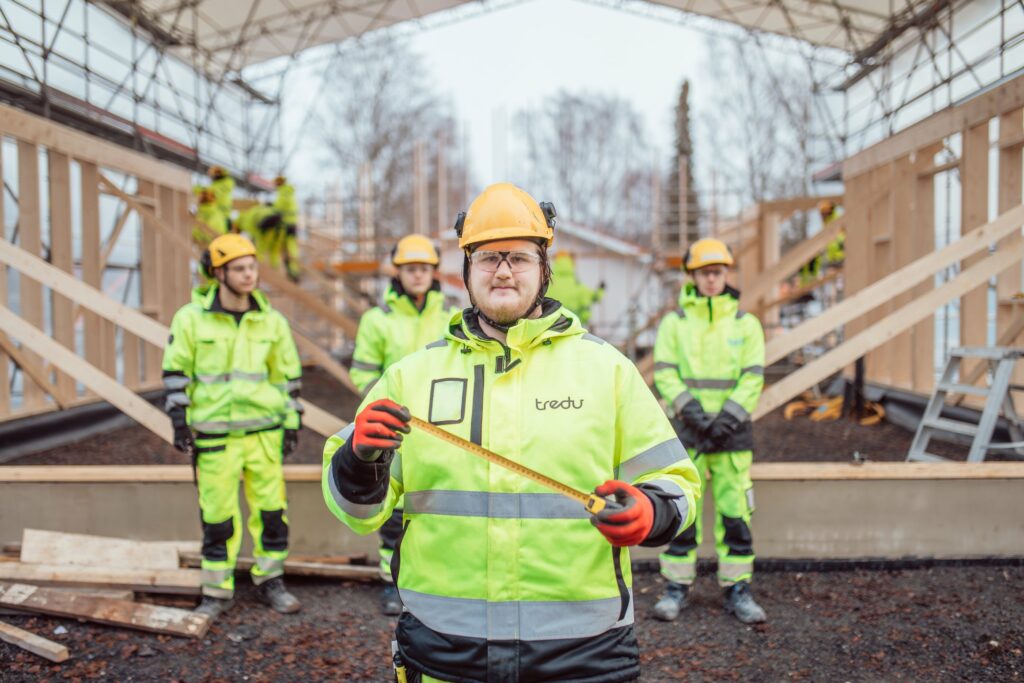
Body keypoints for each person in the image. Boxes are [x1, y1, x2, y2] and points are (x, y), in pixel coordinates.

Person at [322, 182, 701, 682]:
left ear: (544, 269)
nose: (503, 270)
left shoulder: (605, 370)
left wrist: (653, 511)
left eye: (519, 257)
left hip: (583, 655)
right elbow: (358, 514)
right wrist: (358, 459)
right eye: (487, 258)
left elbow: (677, 480)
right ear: (466, 272)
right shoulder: (409, 377)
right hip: (446, 653)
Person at [162, 233, 304, 619]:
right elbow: (176, 372)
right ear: (218, 274)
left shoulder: (271, 322)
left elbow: (287, 378)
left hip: (263, 436)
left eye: (252, 267)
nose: (249, 275)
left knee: (272, 514)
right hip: (215, 440)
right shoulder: (190, 319)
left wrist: (291, 424)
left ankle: (271, 581)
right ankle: (216, 591)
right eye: (239, 269)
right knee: (218, 519)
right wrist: (178, 419)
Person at [651, 237, 767, 624]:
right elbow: (665, 371)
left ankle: (738, 588)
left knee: (736, 514)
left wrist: (725, 420)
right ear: (693, 276)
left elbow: (753, 376)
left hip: (731, 436)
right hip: (690, 432)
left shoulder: (745, 324)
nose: (712, 280)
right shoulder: (675, 324)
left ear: (726, 274)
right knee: (684, 511)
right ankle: (676, 587)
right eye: (705, 273)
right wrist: (696, 415)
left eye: (717, 272)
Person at [348, 233, 457, 616]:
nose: (418, 276)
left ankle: (440, 576)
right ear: (398, 272)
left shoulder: (451, 318)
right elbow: (362, 373)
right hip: (393, 431)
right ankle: (392, 583)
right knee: (393, 509)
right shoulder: (377, 321)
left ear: (433, 272)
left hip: (443, 429)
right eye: (411, 269)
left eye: (424, 269)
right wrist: (384, 407)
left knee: (441, 502)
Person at [545, 251, 604, 325]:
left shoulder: (548, 284)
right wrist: (601, 290)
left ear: (557, 262)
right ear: (571, 263)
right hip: (572, 325)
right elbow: (594, 297)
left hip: (550, 325)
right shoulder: (577, 285)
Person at [271, 175, 301, 282]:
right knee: (290, 248)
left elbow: (280, 207)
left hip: (285, 224)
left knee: (280, 247)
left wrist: (272, 209)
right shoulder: (288, 192)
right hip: (291, 224)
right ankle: (292, 270)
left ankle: (288, 270)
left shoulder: (283, 192)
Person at [208, 166, 235, 232]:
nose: (214, 175)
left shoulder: (227, 182)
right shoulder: (214, 184)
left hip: (224, 211)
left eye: (216, 173)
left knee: (224, 229)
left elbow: (219, 191)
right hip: (215, 211)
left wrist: (212, 193)